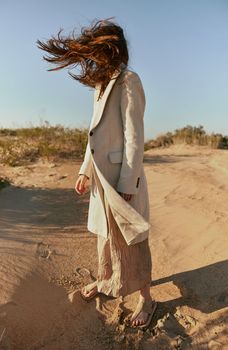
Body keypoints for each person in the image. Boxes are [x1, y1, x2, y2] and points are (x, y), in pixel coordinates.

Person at [37, 18, 157, 328]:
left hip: (121, 177)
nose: (94, 58)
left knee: (132, 238)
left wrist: (128, 180)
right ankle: (105, 282)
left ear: (113, 51)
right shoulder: (100, 86)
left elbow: (134, 136)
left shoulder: (129, 80)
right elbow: (94, 135)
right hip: (101, 179)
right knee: (105, 236)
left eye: (99, 51)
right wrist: (84, 171)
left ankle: (146, 298)